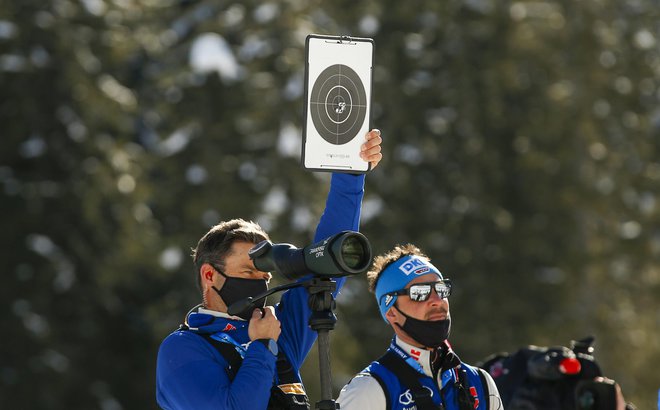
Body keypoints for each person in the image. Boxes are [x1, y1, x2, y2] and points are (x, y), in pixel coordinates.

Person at [156, 129, 383, 410]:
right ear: (209, 275)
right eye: (249, 272)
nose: (260, 284)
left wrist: (350, 172)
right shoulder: (182, 348)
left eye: (265, 276)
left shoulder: (277, 330)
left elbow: (328, 262)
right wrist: (262, 345)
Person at [337, 244, 502, 410]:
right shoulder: (368, 389)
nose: (436, 300)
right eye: (419, 293)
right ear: (392, 313)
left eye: (441, 289)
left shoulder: (481, 383)